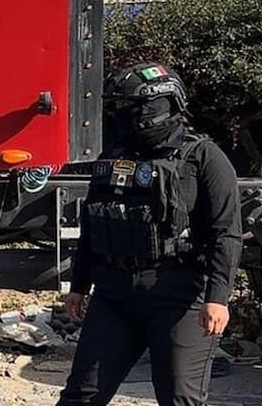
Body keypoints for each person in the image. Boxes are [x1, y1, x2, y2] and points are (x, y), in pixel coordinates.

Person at [58, 62, 243, 406]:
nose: (126, 116)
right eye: (121, 108)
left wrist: (218, 297)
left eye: (134, 108)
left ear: (164, 104)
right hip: (114, 294)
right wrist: (78, 286)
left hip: (179, 297)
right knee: (81, 396)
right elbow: (93, 224)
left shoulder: (204, 157)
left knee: (179, 398)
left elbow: (226, 232)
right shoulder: (114, 156)